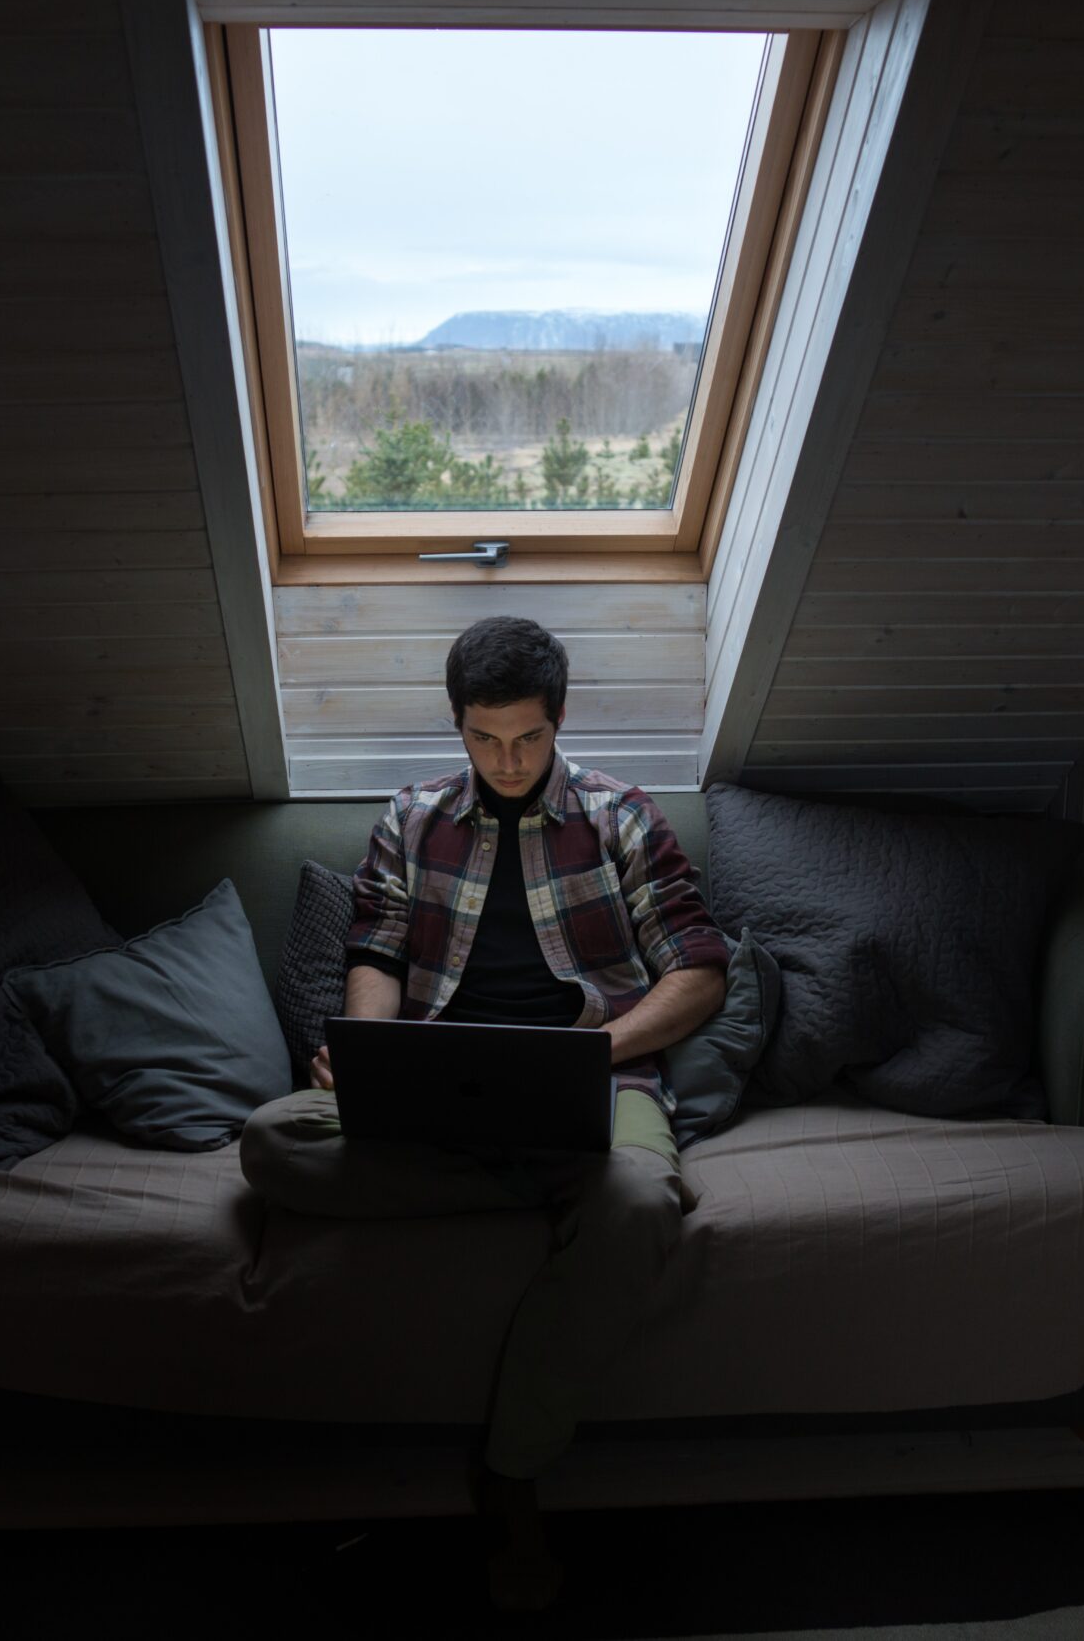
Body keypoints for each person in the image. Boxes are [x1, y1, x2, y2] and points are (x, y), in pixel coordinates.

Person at [238, 615, 730, 1612]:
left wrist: (599, 1049)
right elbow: (376, 948)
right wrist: (368, 1049)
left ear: (560, 718)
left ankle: (511, 1476)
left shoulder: (622, 815)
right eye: (484, 738)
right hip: (438, 1088)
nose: (507, 761)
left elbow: (699, 969)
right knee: (272, 1141)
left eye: (528, 737)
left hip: (600, 1077)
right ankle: (540, 1185)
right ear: (456, 724)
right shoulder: (413, 817)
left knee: (640, 1202)